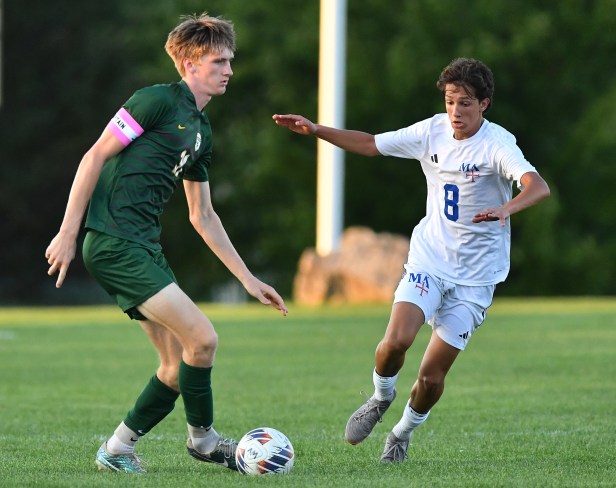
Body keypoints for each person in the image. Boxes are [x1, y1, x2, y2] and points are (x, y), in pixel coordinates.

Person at [273, 57, 550, 463]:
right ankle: (380, 397)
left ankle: (401, 434)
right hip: (430, 260)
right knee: (395, 342)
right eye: (451, 101)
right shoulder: (431, 131)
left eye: (466, 103)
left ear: (485, 104)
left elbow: (537, 186)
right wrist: (316, 130)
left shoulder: (497, 145)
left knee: (431, 376)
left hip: (475, 278)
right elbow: (370, 143)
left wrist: (506, 210)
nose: (456, 111)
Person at [45, 13, 288, 474]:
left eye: (230, 61)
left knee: (177, 366)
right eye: (218, 61)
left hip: (143, 247)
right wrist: (67, 231)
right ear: (189, 63)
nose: (229, 70)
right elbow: (94, 155)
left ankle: (116, 450)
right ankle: (204, 441)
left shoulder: (203, 131)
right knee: (204, 338)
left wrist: (249, 279)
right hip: (115, 243)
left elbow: (203, 216)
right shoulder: (154, 100)